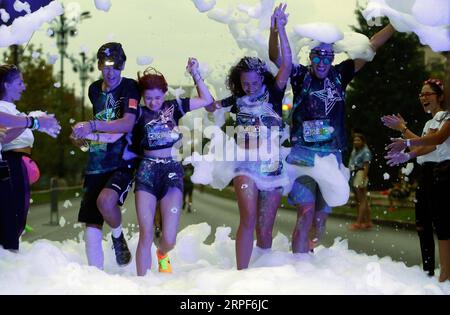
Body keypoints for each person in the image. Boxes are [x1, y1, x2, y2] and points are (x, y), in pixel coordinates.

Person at [269, 6, 395, 253]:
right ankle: (299, 263)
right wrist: (276, 29)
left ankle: (310, 260)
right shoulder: (299, 76)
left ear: (333, 58)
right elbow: (277, 57)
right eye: (317, 56)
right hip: (303, 154)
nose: (322, 62)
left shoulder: (340, 75)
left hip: (331, 156)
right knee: (305, 213)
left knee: (319, 220)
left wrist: (397, 24)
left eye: (327, 56)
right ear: (310, 57)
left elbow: (370, 47)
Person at [200, 5, 291, 270]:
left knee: (265, 229)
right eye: (244, 84)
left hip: (272, 164)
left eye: (253, 83)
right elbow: (210, 105)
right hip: (245, 164)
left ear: (262, 78)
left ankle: (261, 279)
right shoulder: (237, 99)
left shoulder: (274, 93)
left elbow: (287, 64)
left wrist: (280, 29)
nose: (249, 87)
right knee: (248, 220)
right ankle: (241, 276)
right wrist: (196, 76)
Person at [134, 58, 213, 276]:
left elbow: (207, 99)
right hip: (146, 172)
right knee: (146, 232)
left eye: (157, 97)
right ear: (143, 97)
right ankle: (143, 285)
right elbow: (119, 130)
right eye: (148, 98)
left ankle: (162, 253)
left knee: (169, 238)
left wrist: (195, 74)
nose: (153, 102)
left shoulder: (173, 107)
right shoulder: (138, 113)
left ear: (164, 94)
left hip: (171, 172)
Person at [72, 42, 140, 269]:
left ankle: (118, 235)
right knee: (91, 227)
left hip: (122, 160)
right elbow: (98, 129)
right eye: (104, 66)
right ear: (99, 66)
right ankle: (95, 280)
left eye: (114, 67)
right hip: (96, 162)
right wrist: (81, 136)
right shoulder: (93, 90)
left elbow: (128, 123)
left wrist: (91, 125)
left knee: (106, 201)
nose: (109, 72)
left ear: (122, 66)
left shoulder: (129, 87)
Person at [386, 80, 450, 282]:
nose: (423, 98)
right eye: (421, 94)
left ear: (440, 96)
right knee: (423, 225)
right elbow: (423, 147)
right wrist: (404, 132)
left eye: (428, 94)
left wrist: (406, 145)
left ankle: (445, 275)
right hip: (427, 174)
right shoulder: (429, 123)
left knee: (443, 226)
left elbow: (435, 141)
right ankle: (428, 272)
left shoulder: (446, 116)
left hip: (443, 172)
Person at [0, 64, 61, 251]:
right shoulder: (2, 107)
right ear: (5, 85)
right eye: (19, 82)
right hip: (10, 166)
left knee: (15, 221)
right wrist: (32, 121)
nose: (24, 86)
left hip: (14, 168)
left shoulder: (12, 109)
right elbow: (5, 137)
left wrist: (32, 120)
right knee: (12, 225)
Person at [348, 132, 372, 230]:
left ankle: (359, 222)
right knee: (361, 200)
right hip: (354, 174)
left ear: (362, 141)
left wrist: (363, 179)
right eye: (355, 140)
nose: (356, 142)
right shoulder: (355, 151)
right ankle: (368, 221)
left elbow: (366, 166)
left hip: (360, 174)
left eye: (358, 140)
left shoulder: (365, 151)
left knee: (361, 200)